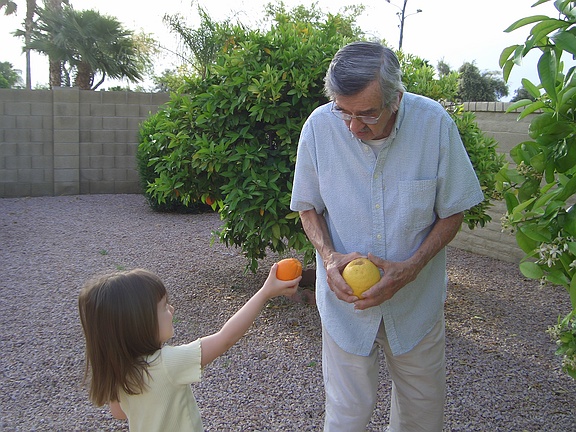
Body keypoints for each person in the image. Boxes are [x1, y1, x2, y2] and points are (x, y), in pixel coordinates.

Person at [290, 41, 484, 432]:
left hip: (415, 306)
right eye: (343, 112)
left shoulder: (434, 124)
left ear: (396, 98)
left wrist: (412, 267)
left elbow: (453, 211)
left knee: (421, 418)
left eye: (367, 114)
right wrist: (328, 257)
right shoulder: (318, 126)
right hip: (344, 312)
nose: (353, 127)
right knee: (345, 417)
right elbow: (307, 206)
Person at [78, 266, 300, 431]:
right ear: (140, 324)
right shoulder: (167, 364)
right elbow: (226, 338)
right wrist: (264, 293)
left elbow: (119, 413)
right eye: (164, 307)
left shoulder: (119, 370)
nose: (172, 309)